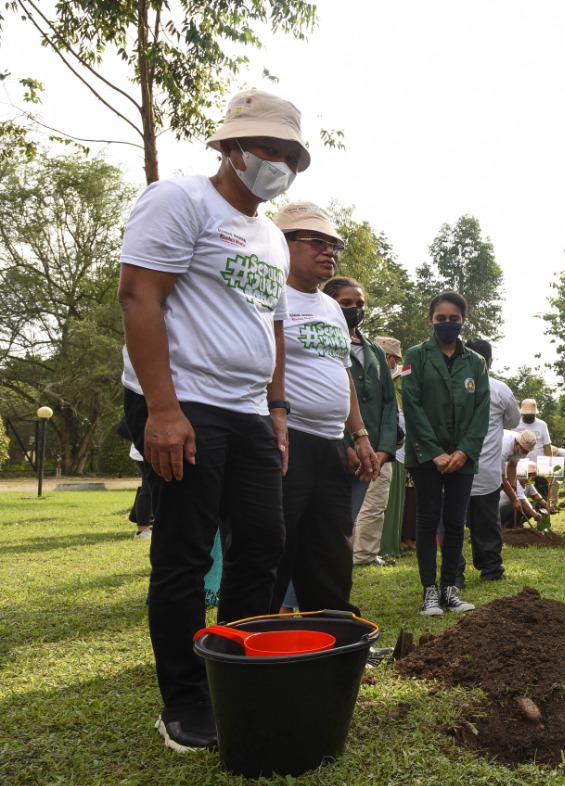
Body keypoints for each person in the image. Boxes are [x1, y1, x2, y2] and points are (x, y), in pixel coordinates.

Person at [118, 90, 308, 752]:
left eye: (289, 155)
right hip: (187, 403)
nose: (279, 164)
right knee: (185, 553)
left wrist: (277, 412)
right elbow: (140, 295)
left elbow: (273, 330)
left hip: (250, 412)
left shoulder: (272, 238)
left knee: (261, 546)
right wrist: (163, 409)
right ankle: (183, 702)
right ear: (232, 148)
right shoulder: (180, 201)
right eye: (270, 150)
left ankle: (233, 672)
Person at [270, 204, 378, 614]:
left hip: (331, 444)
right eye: (317, 242)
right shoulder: (271, 294)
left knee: (331, 548)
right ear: (284, 243)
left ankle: (331, 639)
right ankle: (263, 642)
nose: (329, 251)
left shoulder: (332, 308)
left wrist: (359, 435)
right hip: (286, 440)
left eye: (334, 245)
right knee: (276, 547)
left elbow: (342, 373)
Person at [401, 291, 490, 617]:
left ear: (463, 321)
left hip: (463, 458)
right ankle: (430, 593)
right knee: (427, 522)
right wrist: (435, 452)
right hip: (426, 457)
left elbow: (481, 412)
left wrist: (465, 451)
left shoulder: (476, 363)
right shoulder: (415, 356)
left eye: (454, 319)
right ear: (431, 320)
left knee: (455, 523)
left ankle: (450, 589)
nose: (447, 324)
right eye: (441, 319)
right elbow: (411, 405)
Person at [324, 275, 398, 527]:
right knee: (325, 523)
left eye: (360, 304)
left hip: (369, 454)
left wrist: (384, 450)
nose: (355, 309)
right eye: (346, 302)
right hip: (335, 447)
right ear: (329, 303)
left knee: (347, 521)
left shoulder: (376, 350)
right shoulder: (322, 342)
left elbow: (389, 402)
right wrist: (346, 446)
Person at [459, 338, 520, 582]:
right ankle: (492, 569)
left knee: (453, 525)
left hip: (454, 467)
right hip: (487, 470)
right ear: (490, 361)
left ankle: (455, 573)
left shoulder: (452, 385)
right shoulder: (500, 389)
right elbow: (513, 422)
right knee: (487, 523)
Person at [354, 335, 404, 565]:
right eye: (393, 359)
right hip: (372, 449)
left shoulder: (385, 380)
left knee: (371, 503)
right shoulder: (372, 379)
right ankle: (363, 554)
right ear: (388, 357)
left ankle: (362, 551)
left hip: (378, 449)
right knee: (374, 503)